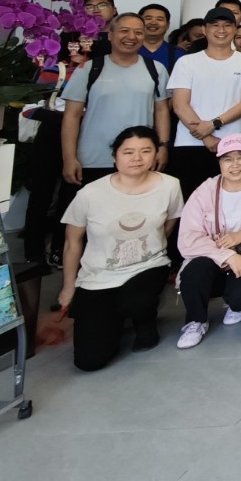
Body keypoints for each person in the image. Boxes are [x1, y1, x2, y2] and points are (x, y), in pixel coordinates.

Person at [58, 127, 183, 369]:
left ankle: (144, 319)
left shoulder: (170, 185)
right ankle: (113, 319)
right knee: (89, 361)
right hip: (99, 276)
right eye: (128, 152)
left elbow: (170, 222)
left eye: (146, 151)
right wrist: (68, 287)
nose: (137, 158)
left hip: (149, 266)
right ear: (114, 156)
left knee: (134, 302)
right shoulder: (89, 194)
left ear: (156, 154)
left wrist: (152, 248)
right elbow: (72, 242)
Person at [174, 133, 241, 349]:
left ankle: (238, 305)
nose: (235, 165)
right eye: (227, 159)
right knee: (194, 273)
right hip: (212, 256)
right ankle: (196, 321)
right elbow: (189, 238)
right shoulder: (204, 191)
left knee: (240, 298)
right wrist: (228, 256)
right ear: (219, 162)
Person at [60, 12, 171, 200]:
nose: (131, 37)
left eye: (138, 32)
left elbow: (162, 110)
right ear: (110, 35)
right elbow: (71, 115)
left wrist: (163, 147)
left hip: (139, 160)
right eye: (124, 31)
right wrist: (69, 158)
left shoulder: (156, 69)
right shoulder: (88, 69)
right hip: (94, 159)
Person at [166, 7, 241, 199]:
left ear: (235, 29)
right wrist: (206, 137)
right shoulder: (187, 62)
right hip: (190, 143)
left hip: (235, 143)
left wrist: (214, 123)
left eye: (227, 25)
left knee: (233, 200)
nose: (221, 30)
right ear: (205, 29)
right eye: (215, 25)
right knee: (192, 199)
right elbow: (180, 105)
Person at [139, 3, 176, 69]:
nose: (153, 22)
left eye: (159, 19)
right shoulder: (127, 51)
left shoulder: (178, 53)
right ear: (138, 23)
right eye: (148, 18)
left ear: (167, 25)